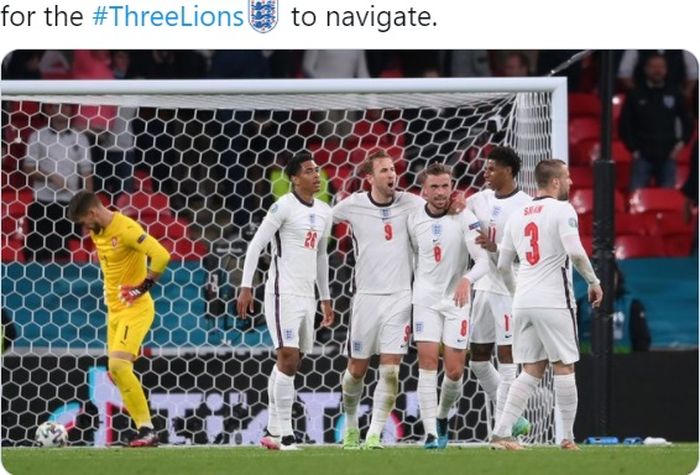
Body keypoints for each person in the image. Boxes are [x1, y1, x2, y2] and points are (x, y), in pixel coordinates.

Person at [492, 159, 603, 450]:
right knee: (564, 366)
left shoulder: (517, 215)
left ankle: (501, 433)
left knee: (531, 370)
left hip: (524, 301)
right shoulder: (562, 209)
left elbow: (503, 265)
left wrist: (517, 293)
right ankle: (567, 438)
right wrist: (593, 282)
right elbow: (576, 253)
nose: (570, 183)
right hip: (554, 301)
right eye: (566, 177)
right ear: (554, 182)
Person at [237, 152, 334, 451]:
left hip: (307, 295)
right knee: (288, 358)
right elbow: (256, 246)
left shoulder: (324, 210)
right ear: (293, 178)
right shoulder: (282, 207)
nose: (316, 175)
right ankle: (287, 436)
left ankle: (273, 431)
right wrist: (245, 286)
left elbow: (321, 255)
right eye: (308, 171)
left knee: (290, 362)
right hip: (282, 292)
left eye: (317, 170)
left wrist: (325, 297)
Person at [332, 150, 425, 450]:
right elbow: (321, 221)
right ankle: (350, 426)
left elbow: (440, 208)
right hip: (366, 299)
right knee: (356, 371)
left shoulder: (411, 202)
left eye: (393, 169)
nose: (391, 175)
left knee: (391, 370)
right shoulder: (353, 205)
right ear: (370, 178)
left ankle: (374, 434)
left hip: (400, 297)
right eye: (384, 170)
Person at [67, 190, 171, 447]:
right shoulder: (98, 231)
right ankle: (145, 430)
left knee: (119, 367)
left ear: (92, 213)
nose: (84, 227)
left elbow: (161, 255)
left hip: (135, 309)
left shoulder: (126, 228)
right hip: (114, 312)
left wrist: (142, 287)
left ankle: (147, 429)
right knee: (118, 372)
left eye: (83, 221)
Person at [407, 163, 489, 449]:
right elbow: (410, 259)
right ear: (424, 190)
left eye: (445, 186)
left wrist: (466, 279)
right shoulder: (413, 217)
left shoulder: (465, 217)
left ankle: (442, 417)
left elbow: (484, 260)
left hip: (457, 300)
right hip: (425, 299)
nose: (441, 192)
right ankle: (430, 432)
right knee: (427, 363)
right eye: (434, 187)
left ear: (452, 186)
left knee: (454, 372)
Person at [465, 146, 532, 434]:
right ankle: (513, 419)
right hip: (483, 286)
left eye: (492, 168)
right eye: (486, 167)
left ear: (509, 171)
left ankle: (503, 427)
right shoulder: (477, 200)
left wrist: (498, 248)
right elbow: (458, 211)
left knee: (507, 356)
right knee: (478, 357)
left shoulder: (526, 206)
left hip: (510, 288)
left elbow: (529, 254)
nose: (486, 172)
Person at [23, 103, 93, 262]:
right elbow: (28, 168)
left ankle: (64, 286)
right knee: (39, 253)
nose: (63, 110)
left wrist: (88, 206)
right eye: (57, 106)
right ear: (50, 110)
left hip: (70, 204)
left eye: (67, 107)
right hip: (43, 202)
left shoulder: (80, 138)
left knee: (66, 254)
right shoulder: (37, 136)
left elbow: (87, 174)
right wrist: (51, 177)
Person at [619, 53, 694, 191]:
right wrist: (634, 149)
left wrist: (680, 144)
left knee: (666, 200)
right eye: (654, 67)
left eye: (661, 67)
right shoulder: (635, 94)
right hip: (642, 156)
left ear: (666, 69)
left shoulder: (675, 93)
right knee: (636, 196)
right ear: (646, 69)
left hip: (668, 156)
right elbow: (625, 126)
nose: (657, 70)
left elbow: (688, 122)